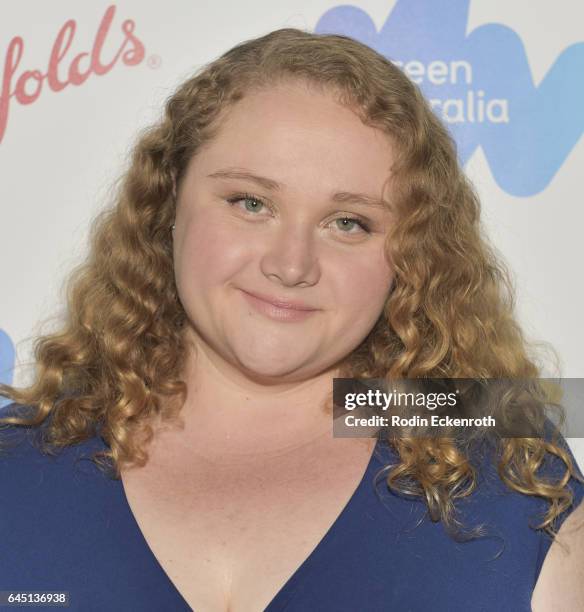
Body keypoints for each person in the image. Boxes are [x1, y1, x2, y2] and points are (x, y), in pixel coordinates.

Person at [1, 27, 583, 612]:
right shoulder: (16, 464)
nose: (291, 264)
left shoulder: (514, 470)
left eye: (349, 222)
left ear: (412, 255)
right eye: (250, 204)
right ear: (168, 204)